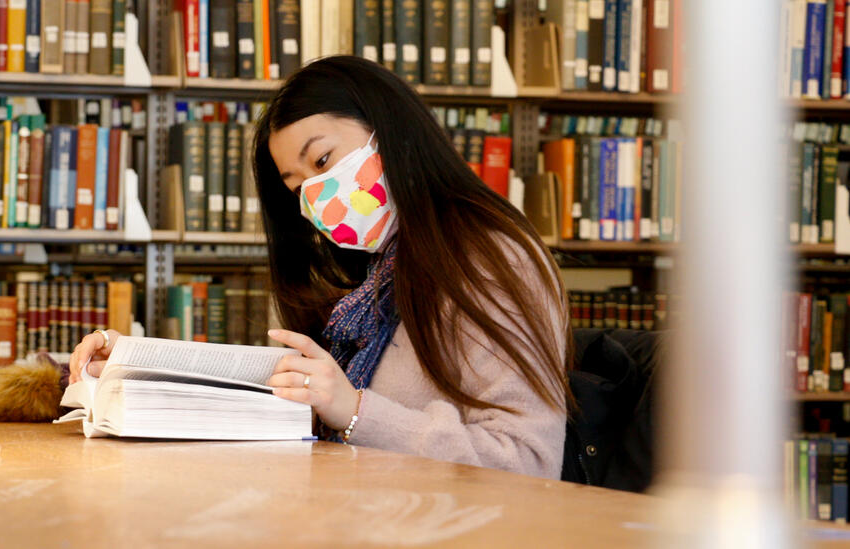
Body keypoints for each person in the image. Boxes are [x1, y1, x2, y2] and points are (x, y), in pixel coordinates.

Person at [68, 56, 572, 479]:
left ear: (389, 130)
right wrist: (131, 365)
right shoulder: (376, 276)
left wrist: (355, 411)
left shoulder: (492, 260)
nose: (316, 195)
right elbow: (312, 393)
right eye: (297, 186)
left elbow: (528, 461)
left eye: (324, 162)